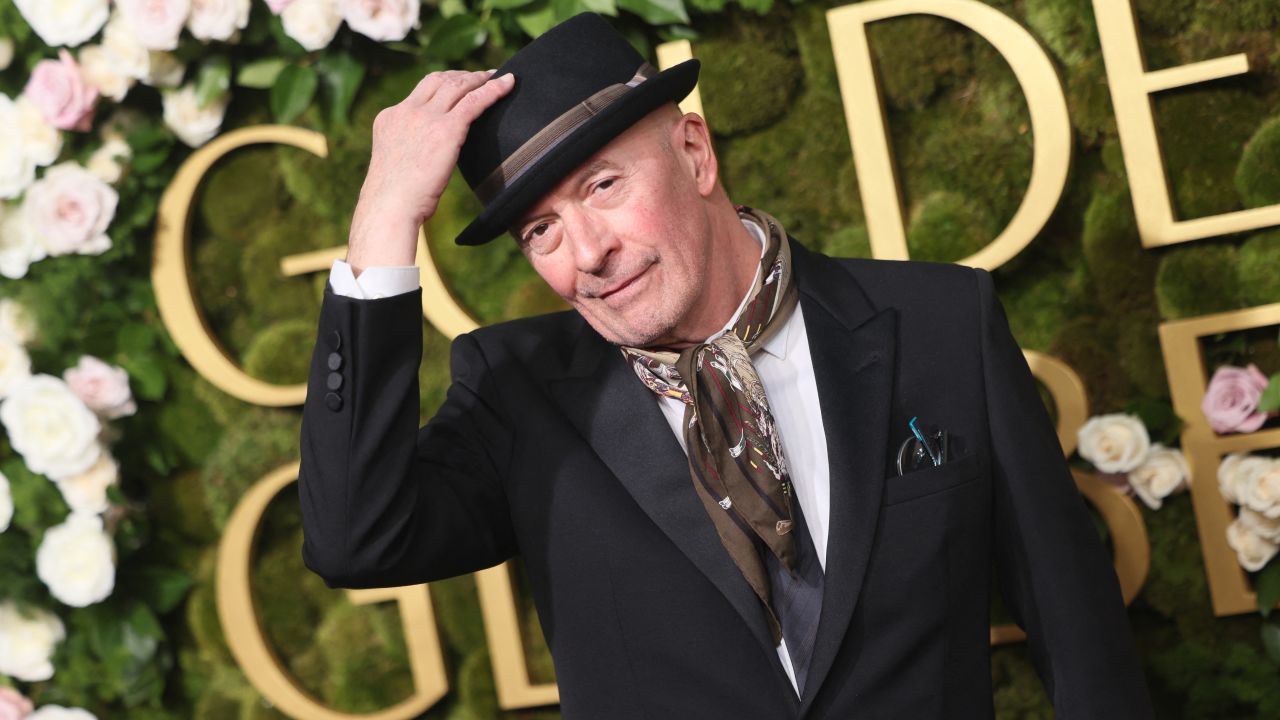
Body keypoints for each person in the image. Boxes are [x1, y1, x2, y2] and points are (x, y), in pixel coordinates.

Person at [298, 12, 1155, 718]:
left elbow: (1079, 638)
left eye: (602, 187)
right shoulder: (517, 397)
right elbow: (356, 539)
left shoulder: (941, 324)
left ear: (696, 154)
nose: (588, 253)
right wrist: (384, 217)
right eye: (542, 232)